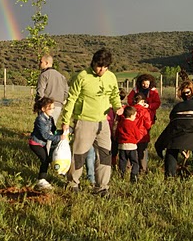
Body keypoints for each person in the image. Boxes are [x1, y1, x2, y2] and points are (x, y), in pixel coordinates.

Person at [60, 48, 124, 196]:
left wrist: (117, 107)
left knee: (105, 154)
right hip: (84, 121)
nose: (102, 70)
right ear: (93, 63)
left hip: (103, 122)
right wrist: (65, 121)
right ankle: (72, 184)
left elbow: (114, 94)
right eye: (99, 66)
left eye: (105, 67)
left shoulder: (111, 77)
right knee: (79, 154)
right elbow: (71, 99)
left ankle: (102, 187)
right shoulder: (81, 76)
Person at [155, 81, 193, 181]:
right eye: (185, 93)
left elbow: (172, 116)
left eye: (187, 92)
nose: (186, 95)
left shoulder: (178, 105)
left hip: (176, 125)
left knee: (172, 148)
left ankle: (170, 176)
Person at [29, 97, 68, 190]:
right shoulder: (40, 120)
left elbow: (53, 130)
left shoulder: (50, 118)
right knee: (45, 160)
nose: (53, 110)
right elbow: (45, 135)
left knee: (48, 159)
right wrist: (59, 138)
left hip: (42, 144)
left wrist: (63, 131)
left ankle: (43, 178)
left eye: (53, 108)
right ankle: (41, 180)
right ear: (43, 109)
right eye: (50, 108)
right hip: (35, 143)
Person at [36, 54, 68, 124]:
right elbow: (66, 92)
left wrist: (40, 104)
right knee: (52, 127)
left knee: (44, 127)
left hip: (46, 105)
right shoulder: (61, 76)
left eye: (41, 62)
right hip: (58, 106)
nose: (39, 64)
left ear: (46, 63)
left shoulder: (44, 75)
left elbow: (40, 92)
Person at [115, 106, 142, 182]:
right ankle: (134, 177)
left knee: (122, 161)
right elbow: (137, 135)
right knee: (134, 162)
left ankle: (121, 175)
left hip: (122, 146)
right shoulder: (132, 124)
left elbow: (117, 134)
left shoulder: (121, 123)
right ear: (132, 115)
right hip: (132, 146)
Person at [131, 93, 153, 173]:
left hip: (132, 135)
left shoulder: (130, 110)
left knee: (132, 153)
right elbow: (148, 124)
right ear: (143, 101)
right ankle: (142, 169)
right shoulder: (145, 111)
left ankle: (130, 169)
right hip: (142, 135)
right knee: (142, 154)